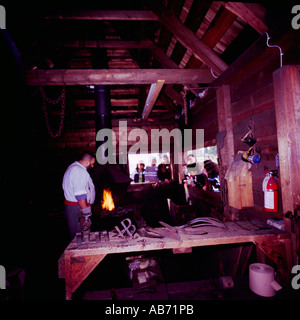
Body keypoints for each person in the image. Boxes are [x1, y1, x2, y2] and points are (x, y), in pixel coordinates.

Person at [62, 153, 96, 239]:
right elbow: (80, 194)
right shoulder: (78, 171)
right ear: (87, 162)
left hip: (77, 207)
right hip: (77, 208)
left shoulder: (74, 168)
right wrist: (86, 214)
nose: (92, 166)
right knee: (78, 236)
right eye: (92, 163)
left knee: (80, 234)